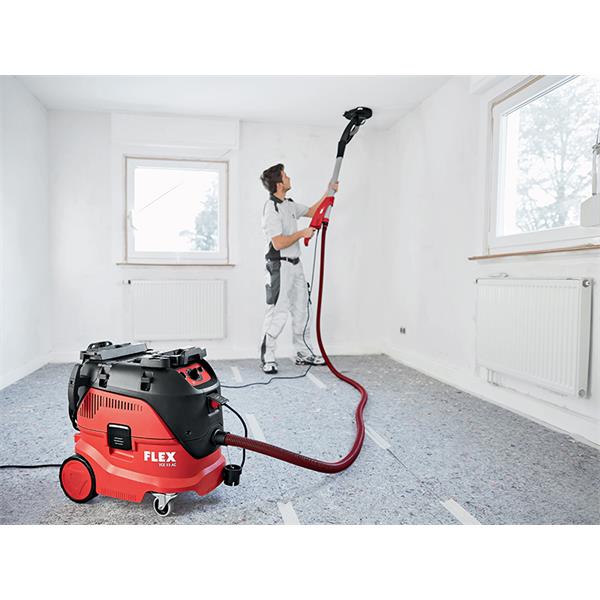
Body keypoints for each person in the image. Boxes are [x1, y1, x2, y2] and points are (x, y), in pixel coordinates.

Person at [259, 163, 338, 374]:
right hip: (279, 266)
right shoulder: (271, 208)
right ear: (279, 184)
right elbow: (278, 243)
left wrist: (329, 191)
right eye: (285, 176)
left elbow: (313, 211)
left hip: (296, 265)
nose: (289, 178)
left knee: (302, 309)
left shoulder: (289, 205)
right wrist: (301, 234)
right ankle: (268, 356)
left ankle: (303, 353)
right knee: (278, 312)